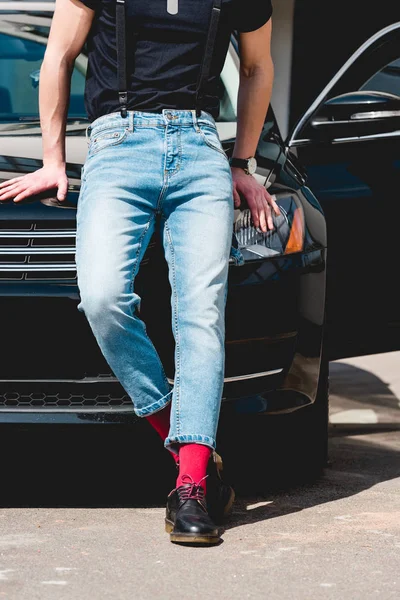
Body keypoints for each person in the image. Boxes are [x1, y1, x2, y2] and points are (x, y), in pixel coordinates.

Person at [0, 0, 278, 545]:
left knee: (201, 314)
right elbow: (59, 53)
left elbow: (257, 66)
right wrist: (53, 158)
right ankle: (186, 440)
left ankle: (192, 488)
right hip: (117, 145)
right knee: (102, 298)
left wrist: (241, 163)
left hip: (200, 149)